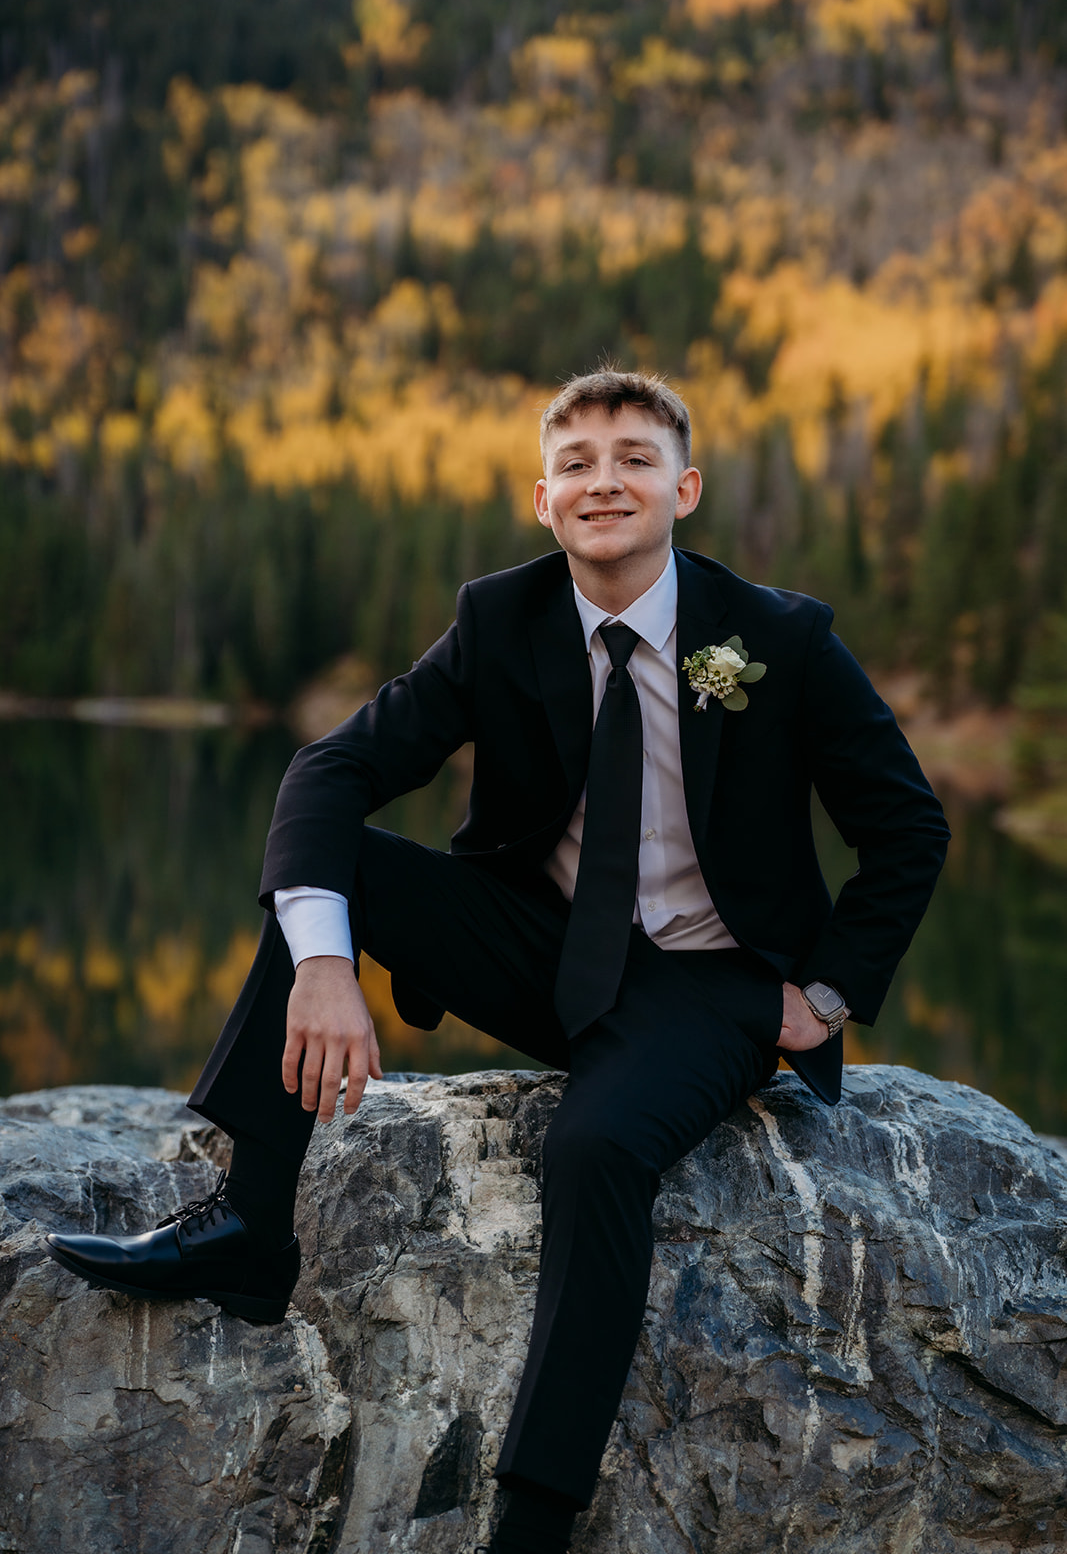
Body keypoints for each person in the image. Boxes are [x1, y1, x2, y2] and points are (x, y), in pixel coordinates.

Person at [45, 368, 950, 1554]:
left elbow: (905, 826)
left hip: (706, 983)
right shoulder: (500, 619)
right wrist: (324, 965)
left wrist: (822, 994)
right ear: (541, 499)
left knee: (592, 1147)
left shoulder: (772, 637)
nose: (601, 480)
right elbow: (329, 771)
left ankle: (534, 1509)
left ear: (681, 488)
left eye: (632, 457)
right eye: (574, 462)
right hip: (545, 951)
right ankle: (252, 1229)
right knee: (337, 866)